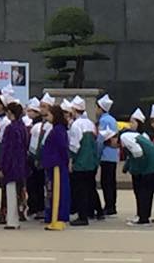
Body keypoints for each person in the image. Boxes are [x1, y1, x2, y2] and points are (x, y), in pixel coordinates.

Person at [121, 108, 154, 226]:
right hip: (140, 169)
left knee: (145, 192)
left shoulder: (138, 136)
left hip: (146, 168)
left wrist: (139, 168)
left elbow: (138, 153)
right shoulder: (131, 136)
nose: (131, 125)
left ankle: (144, 216)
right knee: (140, 192)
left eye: (133, 122)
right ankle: (141, 214)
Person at [67, 96, 99, 226]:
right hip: (91, 162)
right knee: (89, 188)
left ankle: (82, 216)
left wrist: (70, 161)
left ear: (74, 110)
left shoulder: (76, 125)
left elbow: (74, 146)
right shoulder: (90, 123)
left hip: (80, 163)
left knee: (80, 191)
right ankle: (90, 212)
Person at [41, 103, 71, 231]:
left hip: (56, 165)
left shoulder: (58, 130)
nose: (47, 117)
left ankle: (58, 219)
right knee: (52, 191)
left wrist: (64, 161)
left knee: (58, 192)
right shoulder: (56, 129)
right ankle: (53, 217)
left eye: (49, 115)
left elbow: (62, 148)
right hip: (52, 164)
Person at [0, 101, 29, 230]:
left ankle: (12, 220)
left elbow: (7, 149)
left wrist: (2, 166)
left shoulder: (10, 128)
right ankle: (17, 216)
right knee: (17, 190)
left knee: (10, 191)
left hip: (11, 163)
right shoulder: (22, 127)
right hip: (20, 162)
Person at [96, 93, 118, 216]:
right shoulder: (113, 120)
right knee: (112, 182)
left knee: (106, 182)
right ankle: (112, 205)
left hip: (105, 155)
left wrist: (97, 155)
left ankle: (109, 206)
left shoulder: (103, 121)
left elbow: (101, 139)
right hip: (113, 155)